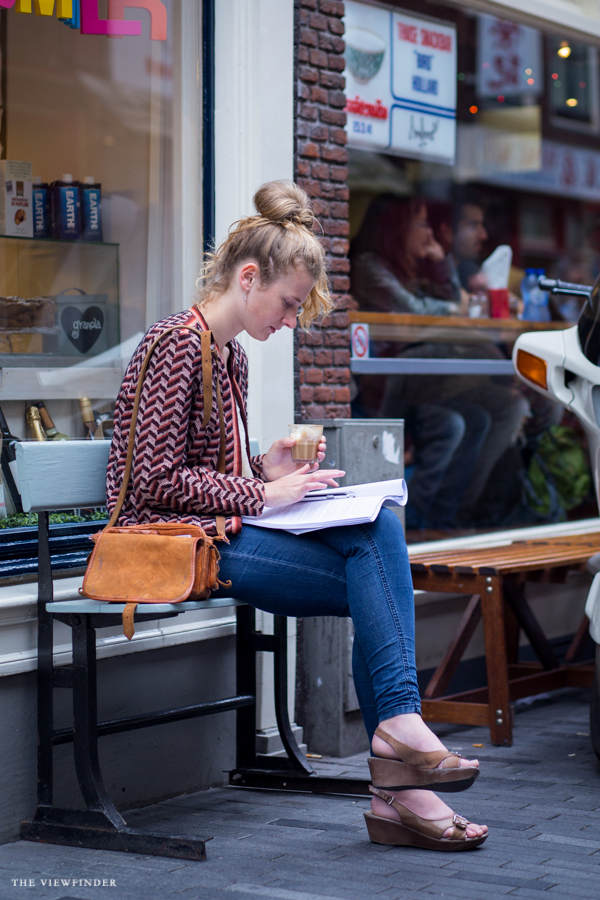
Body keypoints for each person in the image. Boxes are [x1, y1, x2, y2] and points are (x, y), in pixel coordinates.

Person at [107, 180, 488, 850]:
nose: (287, 322)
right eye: (286, 304)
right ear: (248, 278)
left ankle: (399, 759)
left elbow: (209, 474)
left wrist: (266, 470)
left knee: (378, 537)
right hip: (173, 545)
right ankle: (400, 779)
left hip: (220, 533)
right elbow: (150, 484)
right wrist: (261, 497)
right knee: (382, 578)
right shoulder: (173, 345)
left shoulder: (229, 358)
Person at [351, 193, 527, 530]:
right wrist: (454, 303)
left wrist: (440, 260)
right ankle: (415, 522)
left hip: (413, 380)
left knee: (474, 419)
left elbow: (446, 303)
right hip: (385, 385)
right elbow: (416, 310)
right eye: (421, 224)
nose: (429, 234)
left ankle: (444, 519)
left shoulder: (413, 267)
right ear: (397, 228)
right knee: (453, 425)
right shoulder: (369, 265)